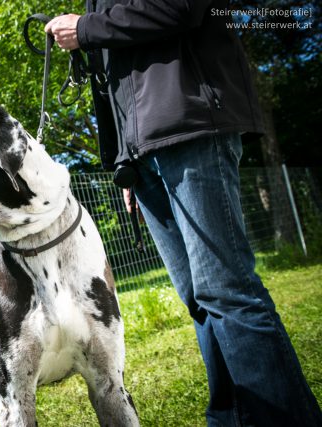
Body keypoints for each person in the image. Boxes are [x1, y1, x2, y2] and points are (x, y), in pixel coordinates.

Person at [46, 2, 322, 426]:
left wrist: (86, 28)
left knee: (226, 292)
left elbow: (180, 8)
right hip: (143, 155)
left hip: (190, 124)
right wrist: (127, 162)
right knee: (199, 299)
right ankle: (230, 417)